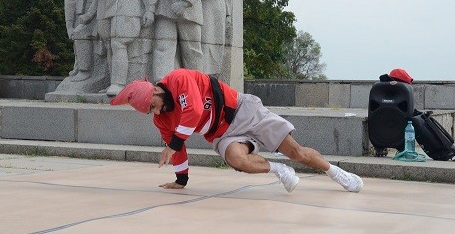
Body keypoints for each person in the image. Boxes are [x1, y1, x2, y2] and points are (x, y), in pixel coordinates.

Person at [111, 68, 363, 193]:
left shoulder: (178, 79)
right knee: (236, 159)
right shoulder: (162, 120)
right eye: (150, 113)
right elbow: (177, 149)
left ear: (156, 90)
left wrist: (174, 144)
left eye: (154, 106)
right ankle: (279, 169)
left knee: (296, 151)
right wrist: (181, 180)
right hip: (223, 134)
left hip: (243, 110)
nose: (156, 112)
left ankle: (336, 173)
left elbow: (194, 111)